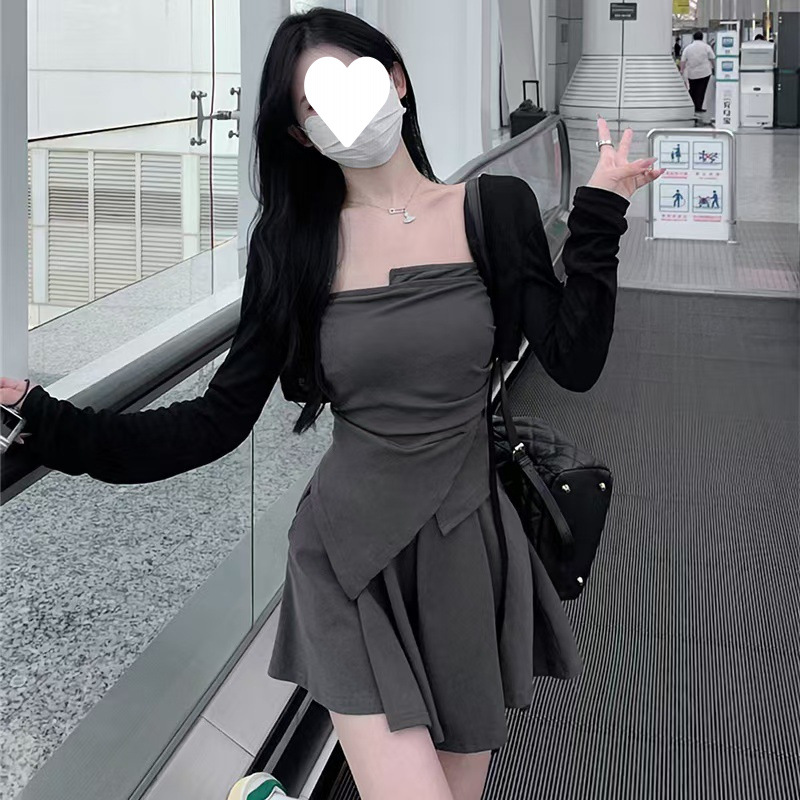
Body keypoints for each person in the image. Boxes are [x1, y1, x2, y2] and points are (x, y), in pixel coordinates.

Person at [1, 8, 662, 800]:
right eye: (312, 105)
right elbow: (213, 423)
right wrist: (46, 423)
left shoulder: (495, 211)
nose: (339, 111)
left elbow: (575, 360)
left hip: (467, 554)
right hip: (347, 558)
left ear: (397, 79)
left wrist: (600, 213)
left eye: (351, 80)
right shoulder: (293, 248)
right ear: (302, 136)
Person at [680, 30, 716, 113]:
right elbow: (712, 58)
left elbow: (683, 60)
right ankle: (698, 107)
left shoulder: (688, 48)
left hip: (692, 73)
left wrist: (682, 70)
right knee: (701, 90)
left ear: (693, 38)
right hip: (705, 72)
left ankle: (692, 106)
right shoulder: (706, 47)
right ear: (702, 38)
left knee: (692, 89)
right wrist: (715, 68)